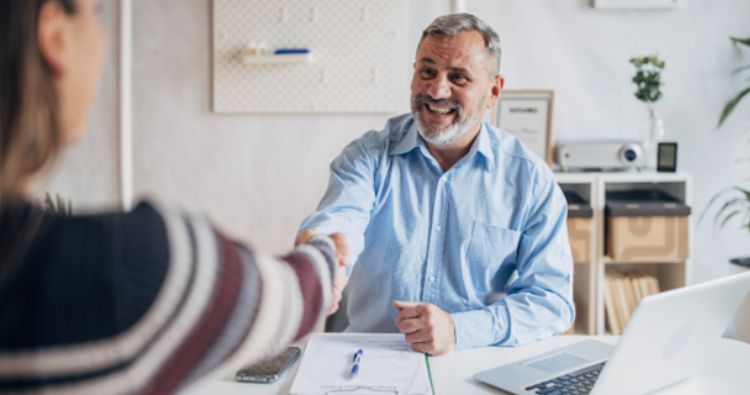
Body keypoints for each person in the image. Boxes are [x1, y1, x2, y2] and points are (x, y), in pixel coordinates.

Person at [0, 1, 346, 393]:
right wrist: (325, 251)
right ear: (55, 35)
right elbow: (297, 295)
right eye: (96, 12)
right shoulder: (139, 265)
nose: (102, 42)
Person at [297, 13, 575, 356]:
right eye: (427, 72)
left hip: (474, 359)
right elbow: (341, 218)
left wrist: (461, 330)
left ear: (493, 91)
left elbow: (552, 301)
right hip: (372, 360)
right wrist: (325, 257)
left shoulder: (530, 180)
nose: (436, 90)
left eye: (458, 77)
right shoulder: (367, 157)